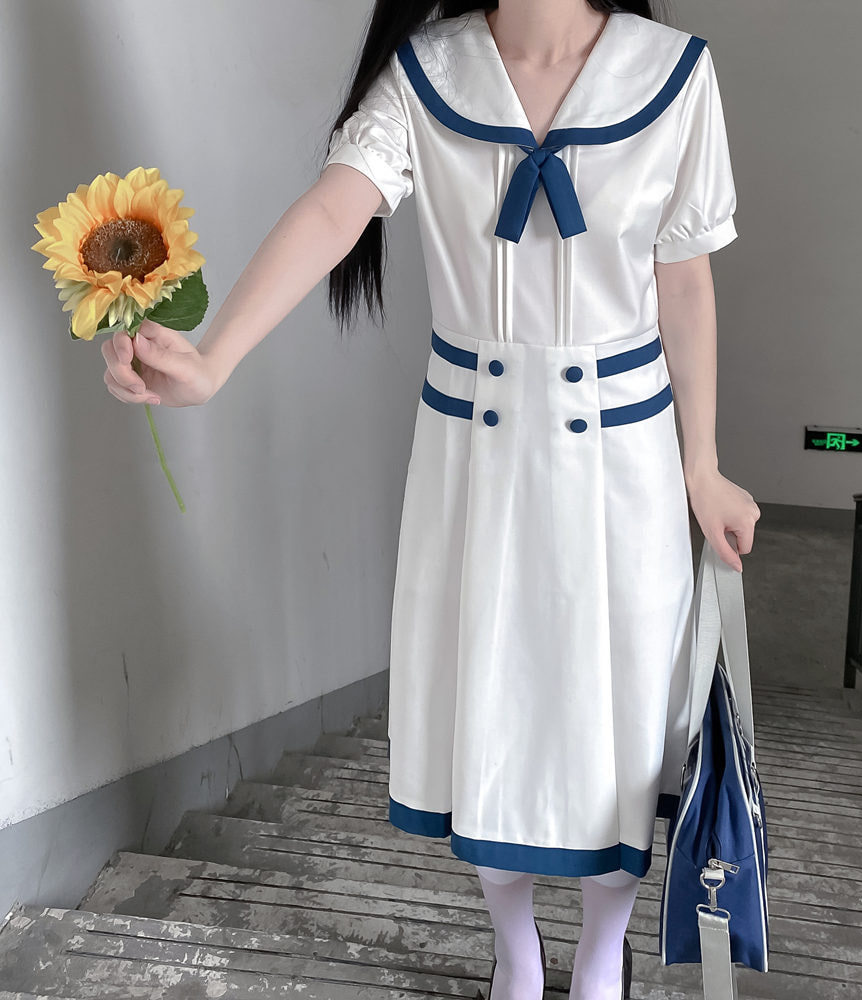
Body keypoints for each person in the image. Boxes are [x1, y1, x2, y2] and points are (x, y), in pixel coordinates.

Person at [100, 2, 761, 997]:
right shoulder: (428, 72)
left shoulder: (673, 73)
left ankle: (599, 954)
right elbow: (335, 210)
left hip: (626, 454)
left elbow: (686, 282)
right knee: (486, 710)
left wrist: (700, 467)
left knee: (622, 722)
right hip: (477, 456)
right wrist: (215, 357)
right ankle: (516, 949)